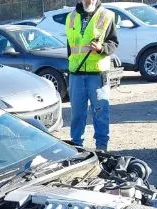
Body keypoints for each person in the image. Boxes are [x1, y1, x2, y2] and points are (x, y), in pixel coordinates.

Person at [65, 0, 118, 150]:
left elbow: (114, 43)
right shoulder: (71, 17)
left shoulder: (106, 15)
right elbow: (70, 45)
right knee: (77, 114)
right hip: (76, 74)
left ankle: (101, 147)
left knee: (100, 112)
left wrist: (102, 48)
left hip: (97, 73)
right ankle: (77, 146)